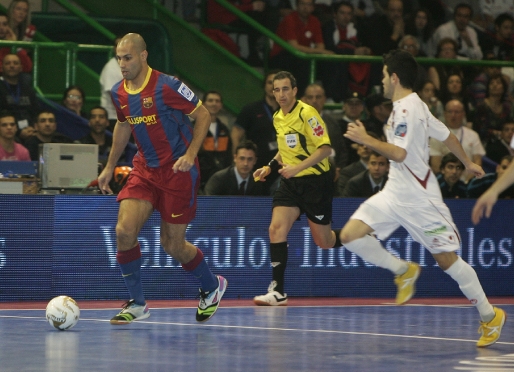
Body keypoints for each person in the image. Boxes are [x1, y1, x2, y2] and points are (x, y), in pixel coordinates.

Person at [338, 49, 505, 348]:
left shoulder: (407, 109)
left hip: (419, 199)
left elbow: (399, 153)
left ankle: (489, 315)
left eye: (383, 76)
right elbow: (447, 136)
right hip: (393, 193)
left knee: (447, 261)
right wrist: (467, 162)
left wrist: (367, 139)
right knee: (350, 236)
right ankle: (403, 270)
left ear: (394, 77)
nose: (382, 82)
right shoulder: (414, 106)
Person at [96, 33, 227, 324]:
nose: (122, 63)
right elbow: (123, 126)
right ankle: (138, 304)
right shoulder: (119, 92)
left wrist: (192, 154)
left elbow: (203, 115)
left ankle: (211, 286)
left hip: (178, 171)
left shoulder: (168, 85)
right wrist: (109, 166)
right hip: (144, 170)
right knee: (124, 231)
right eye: (119, 58)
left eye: (127, 57)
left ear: (143, 56)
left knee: (173, 245)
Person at [252, 71, 342, 306]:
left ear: (294, 91)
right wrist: (270, 167)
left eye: (285, 89)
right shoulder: (277, 117)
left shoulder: (308, 114)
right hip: (291, 184)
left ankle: (355, 235)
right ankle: (278, 291)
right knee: (275, 229)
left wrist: (296, 168)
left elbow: (325, 149)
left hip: (316, 182)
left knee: (324, 242)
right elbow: (285, 149)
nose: (281, 94)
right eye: (276, 90)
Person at [269, 0, 334, 96]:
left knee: (329, 62)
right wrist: (318, 51)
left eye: (308, 4)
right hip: (282, 55)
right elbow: (294, 47)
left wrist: (319, 51)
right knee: (304, 63)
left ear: (313, 7)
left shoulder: (314, 21)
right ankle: (301, 97)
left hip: (303, 56)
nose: (305, 7)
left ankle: (330, 96)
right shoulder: (289, 19)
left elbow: (320, 45)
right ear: (297, 6)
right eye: (302, 4)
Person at [230, 70, 280, 194]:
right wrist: (236, 159)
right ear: (264, 86)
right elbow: (236, 134)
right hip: (256, 165)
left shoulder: (289, 111)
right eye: (269, 82)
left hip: (281, 167)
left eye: (276, 83)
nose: (272, 86)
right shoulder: (251, 109)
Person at [321, 1, 371, 102]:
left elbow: (363, 45)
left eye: (349, 14)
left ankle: (362, 98)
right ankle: (335, 98)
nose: (345, 16)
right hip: (331, 64)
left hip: (353, 64)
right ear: (335, 14)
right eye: (342, 13)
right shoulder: (327, 27)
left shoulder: (357, 29)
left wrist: (365, 50)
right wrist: (352, 51)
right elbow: (330, 48)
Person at [430, 100, 485, 182]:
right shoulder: (436, 135)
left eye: (457, 112)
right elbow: (435, 164)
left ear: (463, 114)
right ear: (444, 114)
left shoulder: (473, 135)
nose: (453, 115)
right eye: (450, 112)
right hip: (444, 182)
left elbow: (477, 161)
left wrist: (466, 182)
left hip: (467, 181)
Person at [301, 83, 347, 179]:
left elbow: (341, 149)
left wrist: (338, 168)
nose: (314, 101)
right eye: (310, 97)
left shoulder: (333, 123)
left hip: (331, 173)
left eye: (318, 97)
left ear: (324, 99)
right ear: (304, 100)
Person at [197, 90, 233, 191]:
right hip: (200, 180)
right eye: (210, 100)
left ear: (221, 105)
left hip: (221, 180)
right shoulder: (194, 127)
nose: (214, 104)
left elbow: (228, 155)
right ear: (203, 104)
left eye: (217, 101)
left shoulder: (224, 129)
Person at [0, 53, 38, 142]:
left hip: (30, 130)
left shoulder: (28, 89)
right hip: (8, 131)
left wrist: (32, 128)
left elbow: (36, 111)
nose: (12, 66)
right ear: (2, 67)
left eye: (15, 63)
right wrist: (18, 132)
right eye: (8, 63)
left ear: (21, 67)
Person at [473, 73, 514, 144]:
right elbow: (478, 128)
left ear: (504, 88)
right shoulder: (481, 107)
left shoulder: (507, 108)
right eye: (491, 83)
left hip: (505, 142)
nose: (494, 85)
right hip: (484, 142)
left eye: (498, 83)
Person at [100, 37, 123, 130]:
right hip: (113, 118)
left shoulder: (132, 67)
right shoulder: (111, 69)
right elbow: (115, 97)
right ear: (115, 49)